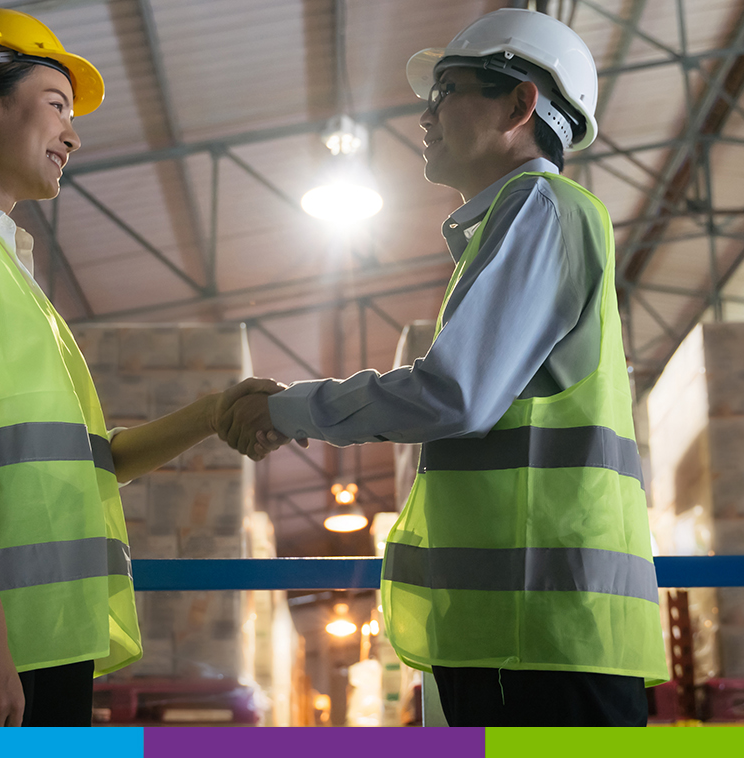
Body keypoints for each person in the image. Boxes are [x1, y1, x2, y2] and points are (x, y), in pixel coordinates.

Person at [0, 8, 281, 727]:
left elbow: (78, 464)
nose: (73, 133)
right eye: (56, 105)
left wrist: (211, 413)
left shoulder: (3, 266)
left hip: (36, 638)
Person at [219, 9, 669, 726]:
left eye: (447, 90)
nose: (424, 116)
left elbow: (455, 395)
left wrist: (286, 409)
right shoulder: (517, 222)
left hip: (536, 634)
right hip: (530, 631)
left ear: (521, 103)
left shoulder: (542, 209)